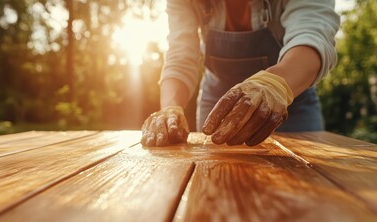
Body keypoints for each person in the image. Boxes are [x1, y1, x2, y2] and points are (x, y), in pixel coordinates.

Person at [141, 0, 340, 147]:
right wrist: (170, 108)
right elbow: (180, 57)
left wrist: (275, 85)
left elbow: (313, 38)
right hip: (218, 101)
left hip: (291, 102)